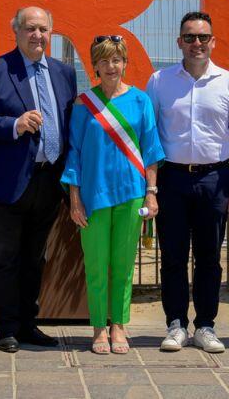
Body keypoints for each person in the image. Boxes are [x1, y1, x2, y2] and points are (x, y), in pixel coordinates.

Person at [0, 6, 77, 353]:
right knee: (3, 257)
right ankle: (7, 327)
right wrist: (13, 125)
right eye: (30, 28)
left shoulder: (65, 73)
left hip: (47, 182)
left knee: (34, 258)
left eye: (44, 29)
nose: (37, 35)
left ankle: (29, 323)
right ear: (16, 31)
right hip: (5, 183)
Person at [146, 11, 229, 354]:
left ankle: (206, 325)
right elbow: (150, 137)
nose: (197, 43)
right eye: (190, 37)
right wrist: (153, 186)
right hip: (173, 177)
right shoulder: (160, 81)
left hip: (215, 178)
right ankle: (175, 324)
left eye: (203, 37)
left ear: (213, 41)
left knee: (210, 257)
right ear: (179, 42)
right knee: (172, 256)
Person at [64, 35, 163, 354]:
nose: (111, 66)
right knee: (95, 264)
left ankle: (118, 326)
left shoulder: (140, 101)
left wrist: (151, 192)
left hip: (132, 195)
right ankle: (97, 329)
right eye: (104, 60)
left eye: (117, 60)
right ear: (94, 66)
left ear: (125, 63)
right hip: (93, 196)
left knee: (122, 265)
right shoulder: (83, 103)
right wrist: (74, 198)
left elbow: (151, 150)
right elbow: (74, 153)